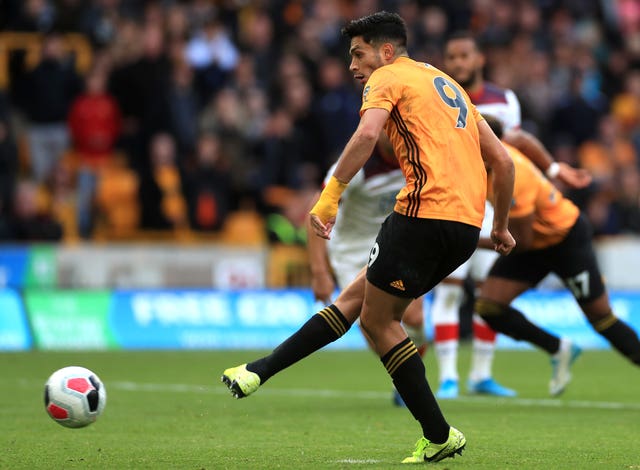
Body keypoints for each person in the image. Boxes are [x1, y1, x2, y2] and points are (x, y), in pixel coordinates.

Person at [222, 12, 516, 463]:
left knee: (377, 322)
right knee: (358, 304)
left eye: (358, 55)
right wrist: (499, 226)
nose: (353, 66)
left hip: (423, 211)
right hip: (464, 228)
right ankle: (257, 372)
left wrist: (330, 195)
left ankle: (439, 434)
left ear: (385, 50)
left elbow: (367, 132)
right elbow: (503, 161)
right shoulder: (446, 83)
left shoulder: (387, 77)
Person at [430, 30, 592, 399]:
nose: (458, 64)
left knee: (491, 293)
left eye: (464, 56)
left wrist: (551, 169)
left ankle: (482, 375)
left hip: (493, 208)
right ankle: (448, 378)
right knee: (449, 293)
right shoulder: (440, 98)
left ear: (479, 59)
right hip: (452, 203)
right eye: (452, 58)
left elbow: (514, 146)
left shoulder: (504, 100)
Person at [476, 115, 640, 396]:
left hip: (565, 240)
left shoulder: (513, 177)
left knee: (601, 319)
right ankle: (559, 348)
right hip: (533, 243)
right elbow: (523, 139)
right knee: (489, 307)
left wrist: (468, 239)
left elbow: (520, 242)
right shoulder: (499, 146)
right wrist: (553, 169)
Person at [307, 142, 428, 407]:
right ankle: (407, 382)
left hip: (393, 240)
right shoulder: (358, 165)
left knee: (416, 318)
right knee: (373, 326)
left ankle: (411, 367)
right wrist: (319, 271)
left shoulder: (418, 155)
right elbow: (317, 210)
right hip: (351, 252)